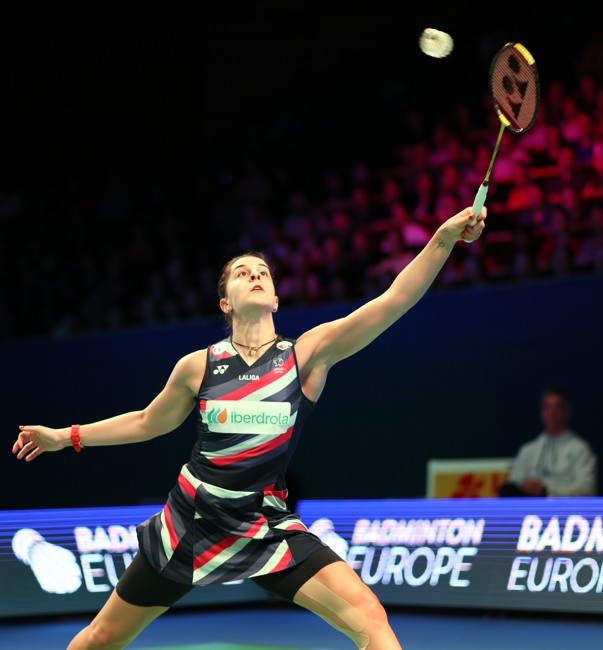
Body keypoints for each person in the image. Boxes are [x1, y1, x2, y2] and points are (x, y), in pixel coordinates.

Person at [12, 204, 486, 650]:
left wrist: (442, 240)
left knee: (370, 618)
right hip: (189, 525)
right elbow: (146, 422)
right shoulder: (198, 367)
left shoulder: (305, 355)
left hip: (265, 525)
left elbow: (393, 301)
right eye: (243, 273)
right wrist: (63, 436)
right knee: (100, 639)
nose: (255, 276)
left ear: (276, 297)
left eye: (262, 273)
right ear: (225, 303)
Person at [499, 388, 597, 497]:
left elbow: (587, 488)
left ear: (567, 413)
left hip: (564, 511)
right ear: (542, 412)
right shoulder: (528, 449)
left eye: (557, 408)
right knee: (507, 490)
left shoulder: (580, 449)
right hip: (531, 510)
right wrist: (524, 486)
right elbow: (515, 481)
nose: (552, 413)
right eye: (547, 407)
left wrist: (546, 491)